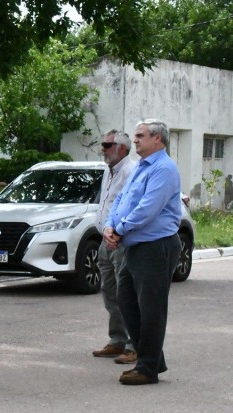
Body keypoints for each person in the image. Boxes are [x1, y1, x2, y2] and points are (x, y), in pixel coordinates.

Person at [104, 119, 182, 385]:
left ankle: (147, 368)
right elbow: (122, 200)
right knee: (127, 302)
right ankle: (152, 359)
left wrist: (120, 230)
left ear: (157, 139)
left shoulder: (164, 169)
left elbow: (148, 209)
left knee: (151, 309)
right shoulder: (141, 168)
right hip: (134, 246)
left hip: (155, 246)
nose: (134, 140)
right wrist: (110, 225)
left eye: (140, 135)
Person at [92, 130, 138, 364]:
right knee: (109, 292)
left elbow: (132, 206)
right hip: (105, 239)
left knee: (125, 293)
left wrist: (117, 232)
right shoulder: (109, 170)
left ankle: (133, 344)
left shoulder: (131, 171)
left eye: (107, 145)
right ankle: (117, 339)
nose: (103, 148)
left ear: (122, 148)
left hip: (120, 240)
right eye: (103, 144)